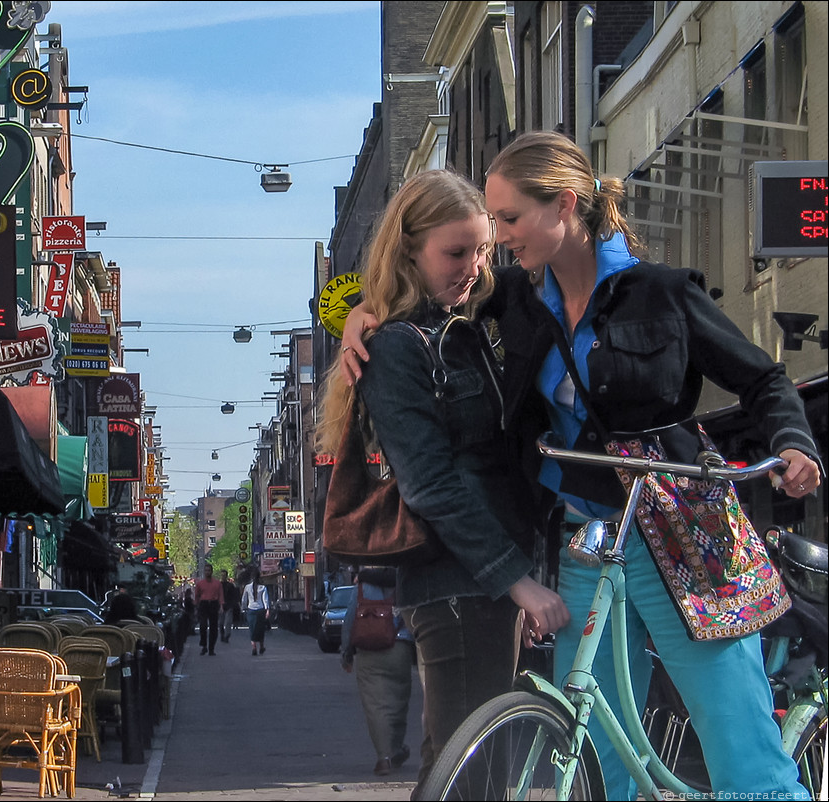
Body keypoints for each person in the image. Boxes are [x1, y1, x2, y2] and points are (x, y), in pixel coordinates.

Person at [341, 133, 821, 799]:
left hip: (682, 533)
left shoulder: (663, 294)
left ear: (563, 205)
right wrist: (358, 317)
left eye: (509, 220)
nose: (499, 240)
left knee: (738, 747)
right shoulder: (514, 299)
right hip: (586, 540)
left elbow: (765, 379)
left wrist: (796, 445)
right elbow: (418, 296)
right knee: (592, 746)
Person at [320, 168, 568, 796]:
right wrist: (521, 584)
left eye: (483, 248)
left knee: (472, 764)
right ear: (409, 246)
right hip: (457, 582)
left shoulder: (466, 319)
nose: (475, 267)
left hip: (485, 579)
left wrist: (362, 308)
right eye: (456, 252)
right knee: (467, 771)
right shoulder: (400, 350)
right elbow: (431, 485)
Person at [340, 568, 415, 777]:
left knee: (375, 706)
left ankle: (383, 758)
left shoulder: (361, 586)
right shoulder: (404, 580)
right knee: (398, 703)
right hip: (399, 647)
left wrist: (346, 653)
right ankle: (396, 749)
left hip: (367, 649)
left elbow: (349, 619)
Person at [240, 567, 272, 656]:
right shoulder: (262, 587)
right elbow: (265, 600)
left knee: (252, 629)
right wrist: (267, 610)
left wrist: (243, 608)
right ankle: (261, 646)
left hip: (251, 610)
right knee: (260, 630)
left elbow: (244, 600)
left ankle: (254, 647)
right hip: (261, 611)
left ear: (251, 577)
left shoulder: (247, 587)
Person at [193, 563, 223, 655]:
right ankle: (204, 645)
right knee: (203, 625)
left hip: (213, 604)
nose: (207, 572)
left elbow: (221, 595)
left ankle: (211, 648)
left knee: (213, 627)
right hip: (204, 604)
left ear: (211, 571)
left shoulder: (217, 583)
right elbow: (197, 596)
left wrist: (221, 606)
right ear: (204, 571)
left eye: (209, 570)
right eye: (206, 570)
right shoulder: (200, 584)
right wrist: (196, 606)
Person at [218, 569, 240, 643]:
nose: (223, 576)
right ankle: (222, 634)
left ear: (226, 576)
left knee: (228, 622)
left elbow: (234, 595)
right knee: (220, 622)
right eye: (222, 575)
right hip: (220, 606)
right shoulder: (218, 585)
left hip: (229, 606)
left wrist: (233, 604)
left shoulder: (230, 585)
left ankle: (227, 635)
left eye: (224, 575)